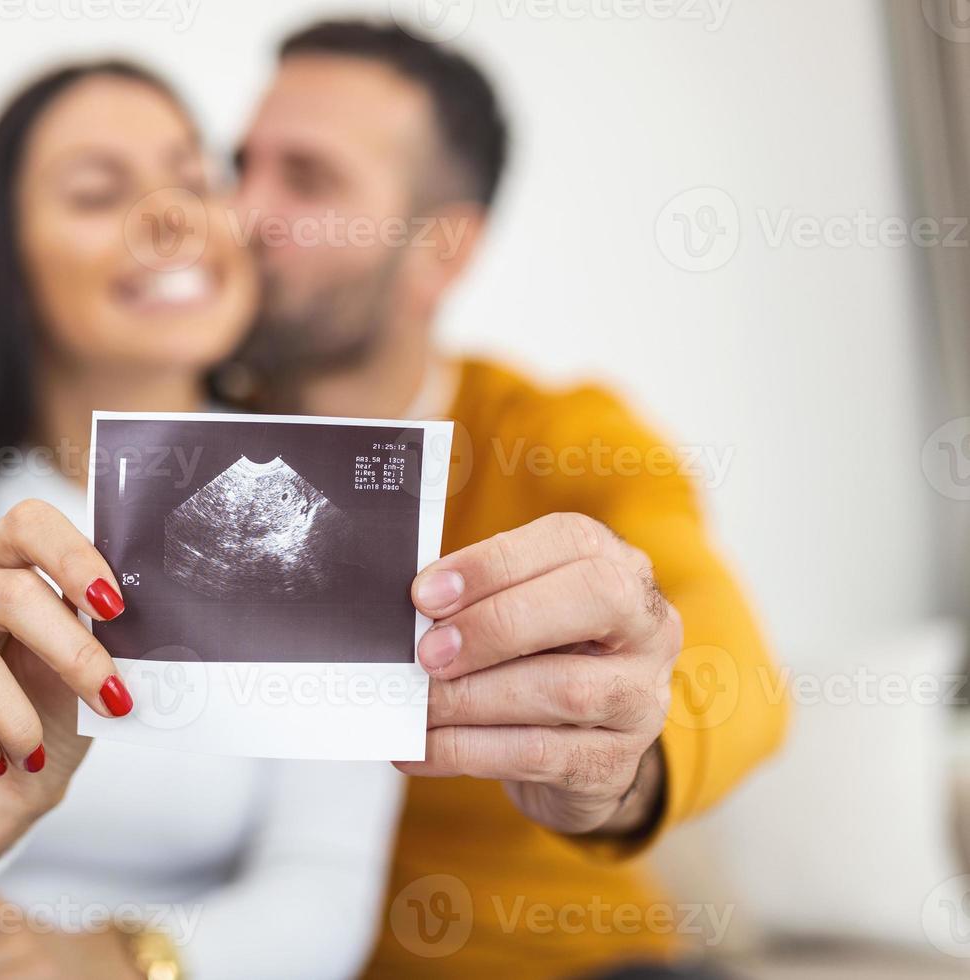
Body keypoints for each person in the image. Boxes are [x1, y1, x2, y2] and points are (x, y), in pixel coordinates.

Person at [0, 61, 403, 980]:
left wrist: (112, 960)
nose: (170, 218)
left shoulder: (332, 498)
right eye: (99, 192)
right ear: (8, 265)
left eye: (193, 178)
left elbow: (327, 893)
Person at [224, 20, 787, 980]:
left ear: (440, 252)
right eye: (241, 167)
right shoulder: (167, 450)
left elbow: (738, 670)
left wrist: (622, 759)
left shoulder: (560, 434)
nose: (241, 213)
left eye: (308, 180)